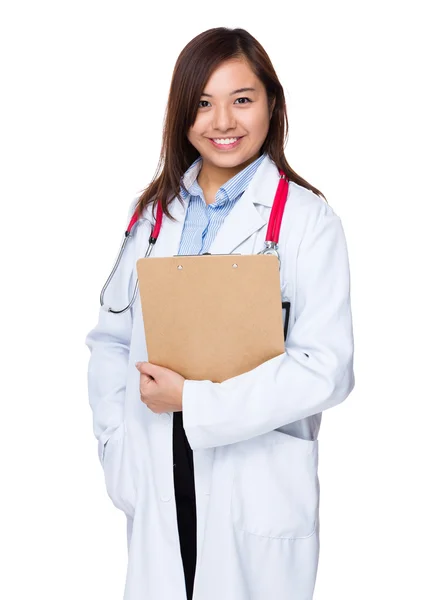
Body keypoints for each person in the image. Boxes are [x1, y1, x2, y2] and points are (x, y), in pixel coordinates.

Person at [85, 27, 355, 600]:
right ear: (182, 113)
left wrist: (195, 402)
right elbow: (111, 339)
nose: (222, 121)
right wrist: (116, 448)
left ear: (272, 105)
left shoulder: (307, 222)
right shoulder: (152, 216)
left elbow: (325, 368)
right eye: (203, 103)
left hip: (254, 480)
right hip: (158, 469)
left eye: (242, 99)